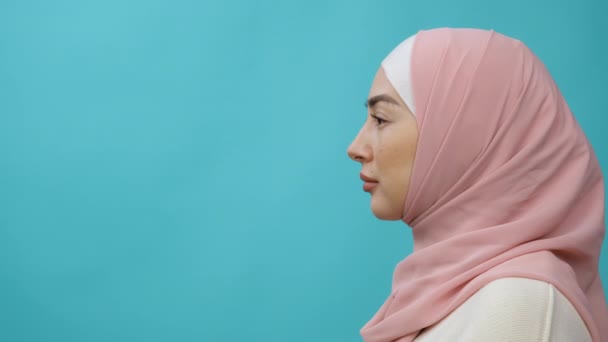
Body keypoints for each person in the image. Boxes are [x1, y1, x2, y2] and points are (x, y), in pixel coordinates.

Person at [347, 28, 608, 342]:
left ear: (462, 135)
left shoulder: (521, 306)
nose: (356, 147)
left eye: (380, 119)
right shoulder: (444, 294)